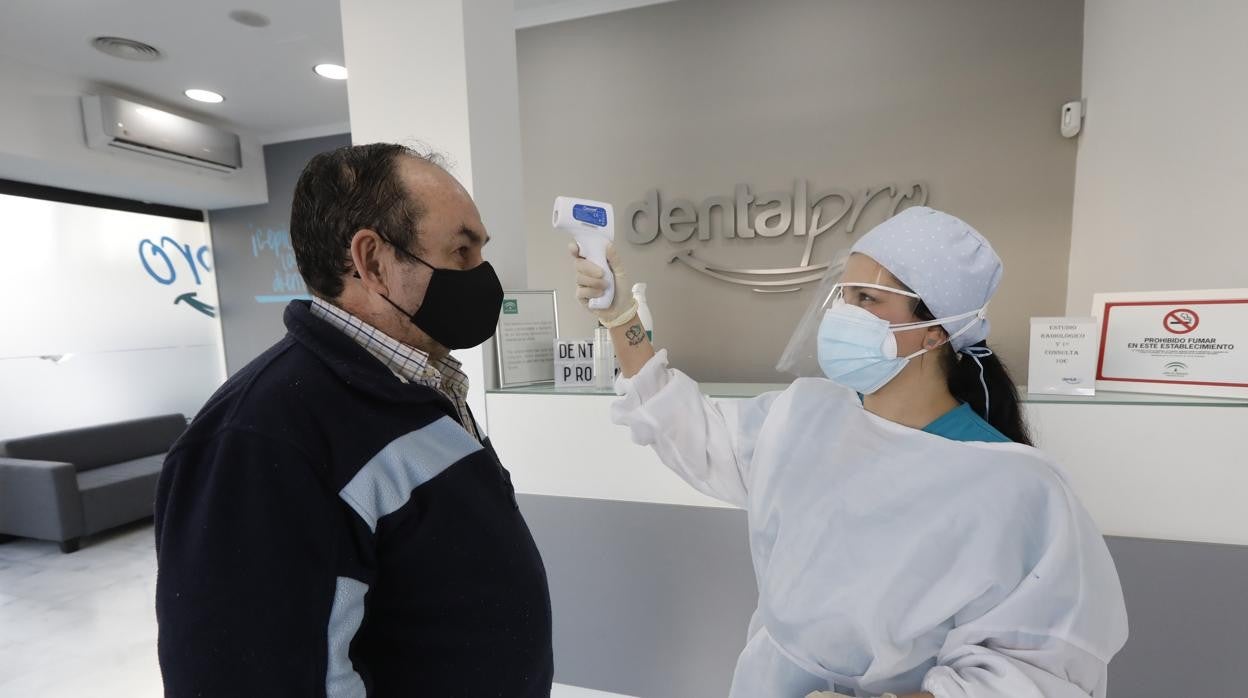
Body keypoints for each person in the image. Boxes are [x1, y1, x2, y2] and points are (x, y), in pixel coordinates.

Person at [570, 206, 1127, 698]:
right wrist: (622, 321)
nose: (844, 315)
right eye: (845, 295)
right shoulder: (805, 416)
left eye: (868, 299)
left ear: (937, 331)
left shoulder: (1014, 487)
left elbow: (1031, 674)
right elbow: (693, 432)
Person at [156, 143, 553, 697]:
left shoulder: (415, 384)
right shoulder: (258, 437)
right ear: (372, 261)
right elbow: (246, 676)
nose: (482, 274)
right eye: (461, 251)